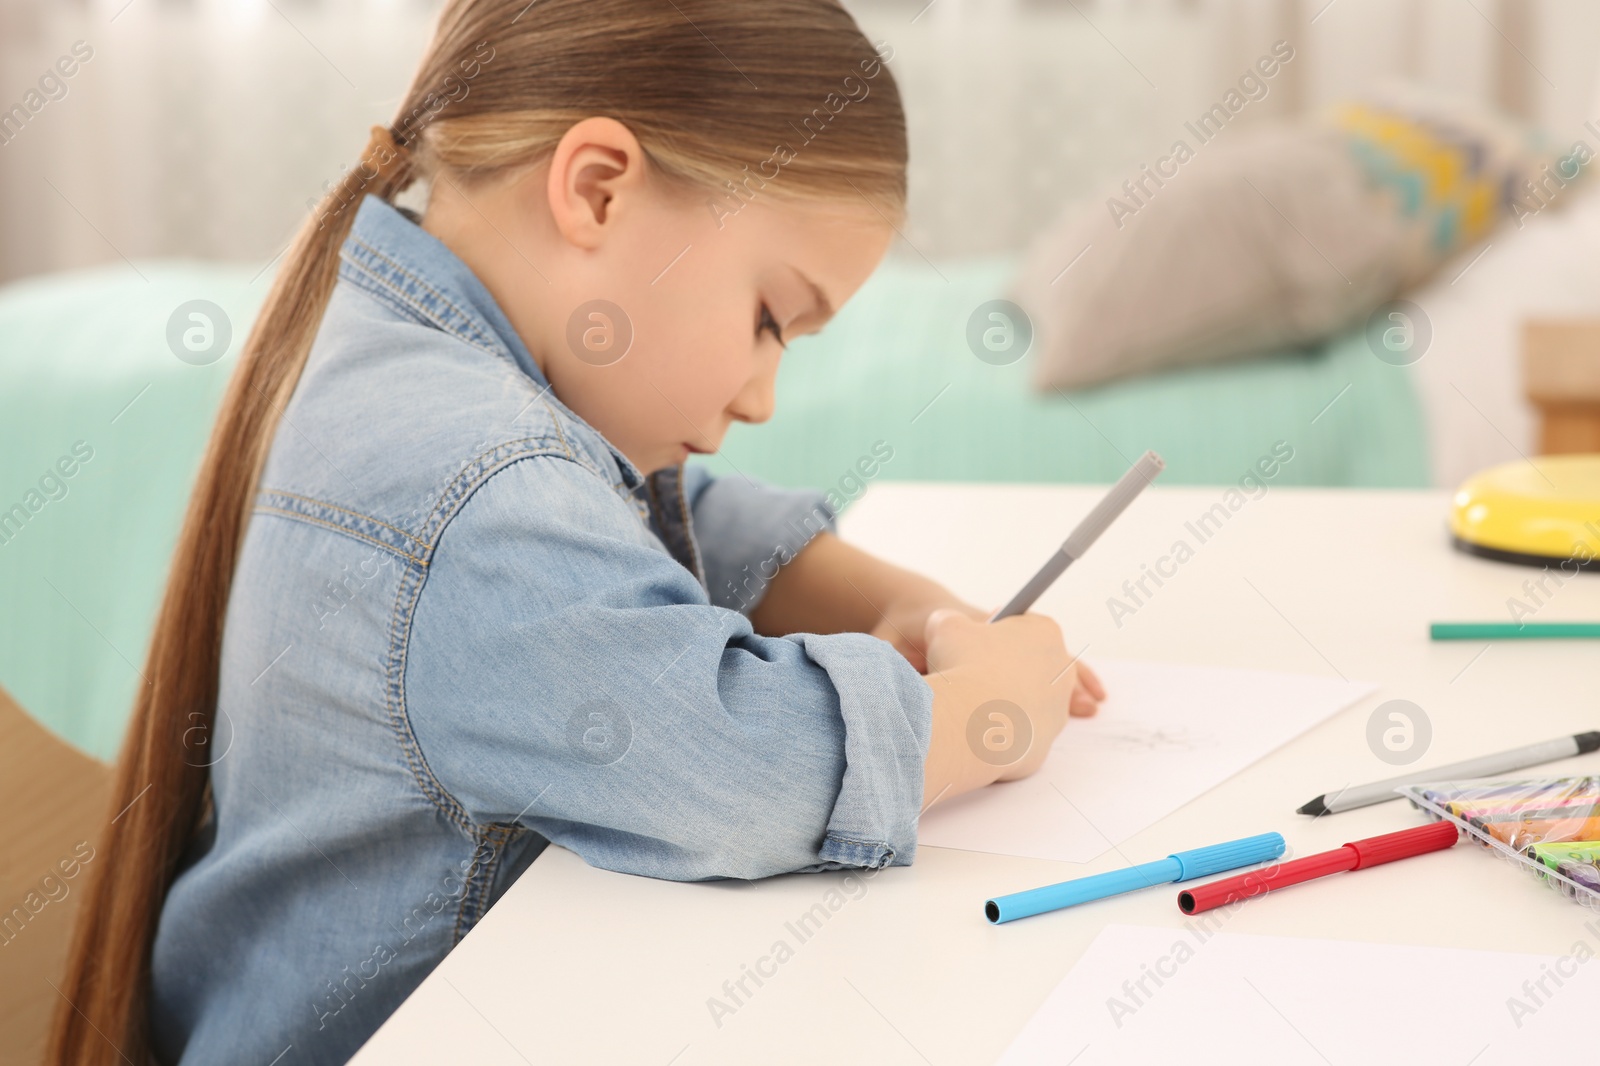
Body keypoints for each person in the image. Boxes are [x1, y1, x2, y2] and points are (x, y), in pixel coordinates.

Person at [49, 2, 1102, 1062]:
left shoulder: (423, 369)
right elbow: (733, 770)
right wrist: (980, 715)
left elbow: (613, 532)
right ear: (597, 189)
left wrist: (890, 603)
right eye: (771, 319)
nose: (764, 394)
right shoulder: (472, 486)